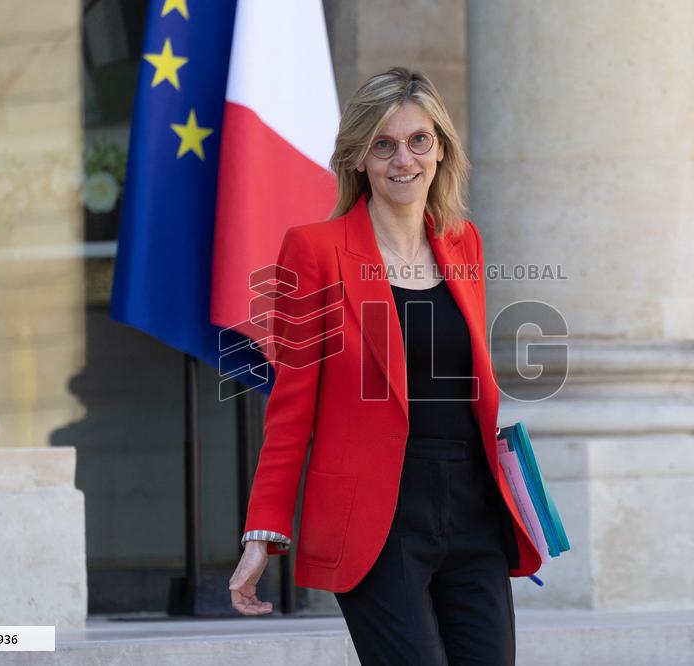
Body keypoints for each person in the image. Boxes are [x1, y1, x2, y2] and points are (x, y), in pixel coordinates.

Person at [228, 66, 542, 665]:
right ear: (358, 158)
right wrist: (263, 532)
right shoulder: (314, 251)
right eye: (384, 144)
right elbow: (291, 409)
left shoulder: (463, 242)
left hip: (473, 509)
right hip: (379, 519)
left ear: (441, 147)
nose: (404, 160)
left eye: (419, 140)